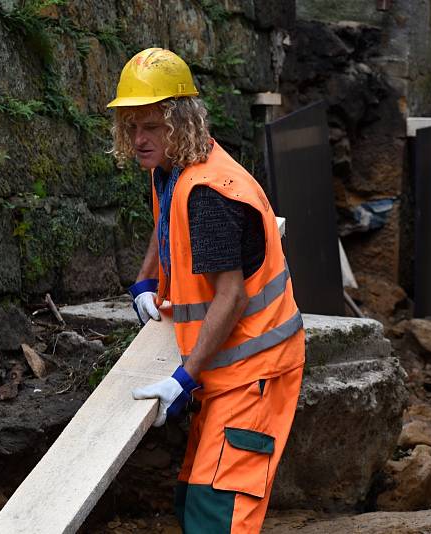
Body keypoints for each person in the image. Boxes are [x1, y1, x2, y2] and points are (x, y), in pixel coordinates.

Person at [107, 48, 306, 533]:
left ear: (178, 122)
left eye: (150, 126)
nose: (139, 139)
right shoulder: (171, 169)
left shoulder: (210, 195)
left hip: (253, 371)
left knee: (218, 513)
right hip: (224, 368)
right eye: (131, 126)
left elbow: (232, 297)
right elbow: (164, 222)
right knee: (193, 499)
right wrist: (146, 279)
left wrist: (183, 378)